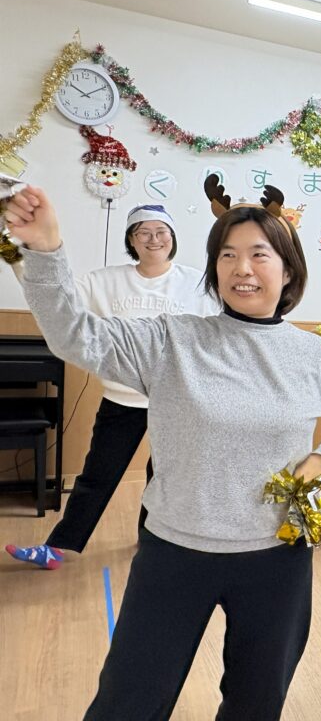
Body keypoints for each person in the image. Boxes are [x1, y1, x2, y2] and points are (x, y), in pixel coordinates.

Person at [4, 184, 321, 720]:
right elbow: (74, 336)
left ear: (289, 270)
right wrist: (44, 250)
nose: (241, 268)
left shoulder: (316, 355)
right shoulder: (171, 340)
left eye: (258, 254)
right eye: (227, 255)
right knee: (127, 702)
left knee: (256, 702)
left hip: (278, 557)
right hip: (175, 552)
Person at [5, 204, 219, 570]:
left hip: (177, 399)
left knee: (165, 479)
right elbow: (57, 297)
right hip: (122, 398)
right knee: (97, 476)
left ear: (172, 238)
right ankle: (57, 548)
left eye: (161, 231)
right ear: (131, 240)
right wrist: (16, 254)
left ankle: (152, 544)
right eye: (143, 232)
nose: (153, 239)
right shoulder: (103, 281)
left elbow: (221, 328)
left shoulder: (198, 284)